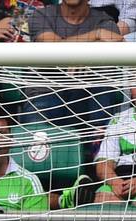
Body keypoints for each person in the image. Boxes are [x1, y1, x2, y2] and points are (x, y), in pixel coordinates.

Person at [21, 0, 121, 133]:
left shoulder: (104, 21)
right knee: (35, 126)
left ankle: (99, 149)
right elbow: (52, 46)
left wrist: (82, 53)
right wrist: (95, 36)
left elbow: (116, 43)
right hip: (46, 93)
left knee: (103, 89)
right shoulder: (41, 15)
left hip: (87, 95)